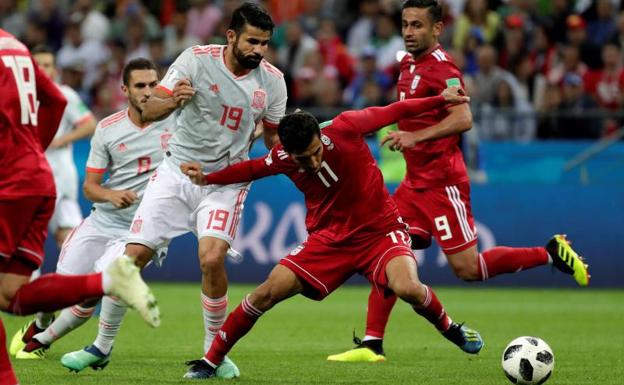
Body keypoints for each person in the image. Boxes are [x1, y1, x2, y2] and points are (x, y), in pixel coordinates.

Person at [327, 0, 590, 363]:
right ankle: (372, 344)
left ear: (437, 28)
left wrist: (417, 138)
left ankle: (550, 252)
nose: (408, 31)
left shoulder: (443, 68)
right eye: (405, 24)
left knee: (468, 269)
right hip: (413, 183)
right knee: (388, 248)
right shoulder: (406, 64)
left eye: (417, 25)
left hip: (442, 183)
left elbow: (464, 117)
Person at [179, 87, 483, 379]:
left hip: (381, 231)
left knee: (407, 287)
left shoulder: (346, 127)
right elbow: (249, 170)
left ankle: (450, 328)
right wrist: (208, 179)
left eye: (315, 152)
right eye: (303, 159)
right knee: (265, 293)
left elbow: (395, 109)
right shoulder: (282, 158)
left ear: (319, 135)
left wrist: (439, 100)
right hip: (329, 240)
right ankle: (210, 361)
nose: (312, 162)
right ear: (287, 151)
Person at [121, 2, 287, 378]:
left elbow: (274, 137)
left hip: (225, 181)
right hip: (177, 171)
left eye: (264, 44)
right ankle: (100, 344)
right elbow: (150, 110)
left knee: (212, 258)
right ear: (230, 36)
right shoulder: (195, 60)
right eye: (252, 41)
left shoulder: (273, 81)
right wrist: (173, 101)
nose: (258, 50)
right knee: (131, 260)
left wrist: (286, 144)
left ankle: (214, 353)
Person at [0, 29, 159, 385]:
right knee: (12, 293)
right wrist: (33, 149)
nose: (148, 92)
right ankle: (98, 286)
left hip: (16, 182)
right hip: (41, 179)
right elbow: (54, 102)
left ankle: (75, 337)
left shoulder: (172, 122)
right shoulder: (14, 46)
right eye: (140, 86)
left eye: (153, 85)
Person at [30, 45, 97, 250]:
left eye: (47, 64)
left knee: (68, 234)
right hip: (30, 172)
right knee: (29, 233)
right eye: (37, 64)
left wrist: (62, 139)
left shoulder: (64, 94)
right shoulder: (20, 94)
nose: (41, 68)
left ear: (55, 70)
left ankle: (77, 278)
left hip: (59, 171)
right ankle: (26, 281)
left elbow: (89, 124)